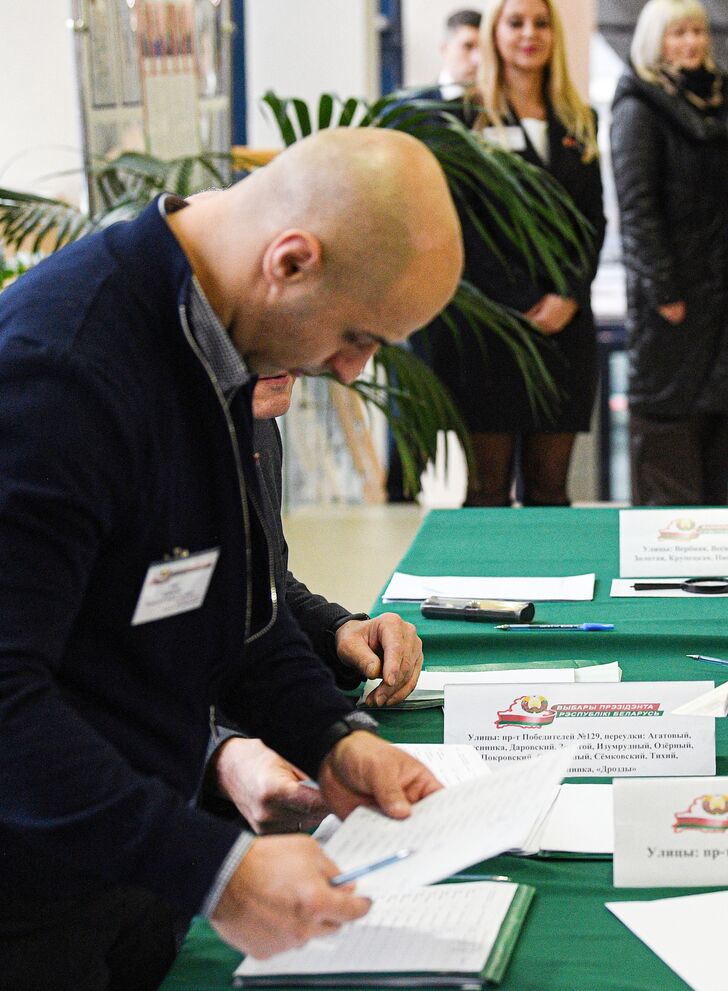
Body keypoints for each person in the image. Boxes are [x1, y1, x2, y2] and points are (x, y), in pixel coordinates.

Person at [0, 128, 463, 988]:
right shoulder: (62, 371)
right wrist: (210, 866)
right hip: (28, 898)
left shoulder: (215, 347)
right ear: (290, 261)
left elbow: (235, 600)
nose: (349, 368)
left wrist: (330, 737)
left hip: (128, 867)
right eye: (357, 335)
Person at [205, 372, 427, 835]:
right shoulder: (84, 418)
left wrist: (339, 632)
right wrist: (217, 756)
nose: (341, 370)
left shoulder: (258, 415)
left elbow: (259, 589)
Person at [416, 0, 605, 507]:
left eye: (541, 23)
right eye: (515, 22)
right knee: (486, 491)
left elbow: (592, 220)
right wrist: (520, 300)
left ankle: (557, 587)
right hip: (490, 328)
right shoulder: (463, 120)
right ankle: (487, 590)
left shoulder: (579, 119)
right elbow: (464, 228)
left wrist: (566, 295)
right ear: (494, 33)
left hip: (564, 329)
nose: (529, 34)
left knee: (550, 489)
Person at [611, 0, 728, 505]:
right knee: (668, 432)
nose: (692, 43)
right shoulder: (638, 108)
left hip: (719, 297)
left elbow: (693, 193)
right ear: (654, 41)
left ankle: (710, 570)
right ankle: (665, 573)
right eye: (678, 33)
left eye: (697, 32)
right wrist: (663, 291)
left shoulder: (708, 103)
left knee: (713, 437)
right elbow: (637, 208)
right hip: (674, 304)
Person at [439, 8, 483, 97]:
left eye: (484, 49)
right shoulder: (413, 106)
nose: (478, 59)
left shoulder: (502, 104)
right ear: (444, 49)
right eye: (468, 46)